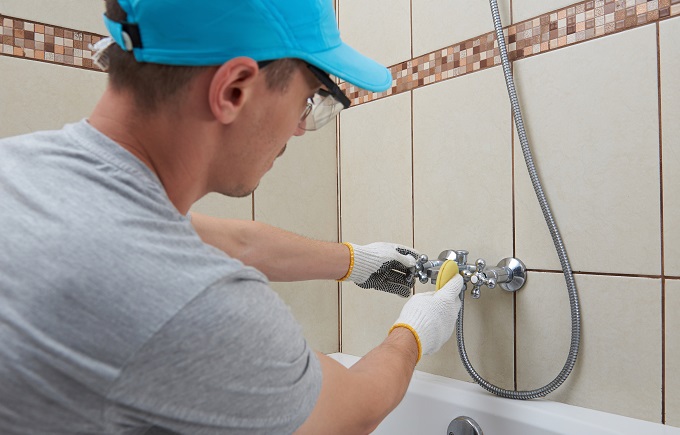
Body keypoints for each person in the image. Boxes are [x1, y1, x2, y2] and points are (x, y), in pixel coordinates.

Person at [0, 0, 465, 433]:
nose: (300, 129)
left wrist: (357, 261)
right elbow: (350, 410)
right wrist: (415, 331)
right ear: (234, 90)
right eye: (307, 102)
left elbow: (238, 244)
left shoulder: (27, 173)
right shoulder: (190, 302)